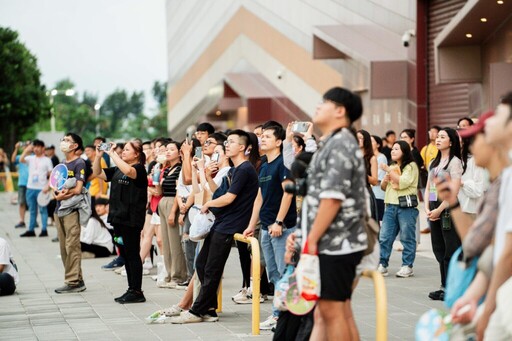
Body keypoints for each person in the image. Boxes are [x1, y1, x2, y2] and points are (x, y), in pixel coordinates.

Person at [292, 87, 367, 341]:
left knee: (332, 311)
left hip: (336, 244)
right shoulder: (333, 142)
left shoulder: (341, 144)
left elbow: (332, 199)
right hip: (331, 243)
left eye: (325, 102)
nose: (318, 106)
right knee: (334, 311)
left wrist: (311, 240)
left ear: (340, 110)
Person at [170, 129, 259, 324]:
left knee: (212, 269)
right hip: (221, 223)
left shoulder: (245, 169)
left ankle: (197, 311)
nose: (227, 145)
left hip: (230, 224)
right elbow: (219, 193)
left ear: (243, 147)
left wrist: (208, 204)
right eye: (226, 142)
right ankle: (209, 309)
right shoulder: (236, 170)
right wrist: (207, 176)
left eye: (232, 142)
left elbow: (229, 198)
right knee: (202, 264)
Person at [243, 125, 297, 330]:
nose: (262, 139)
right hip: (265, 227)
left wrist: (280, 221)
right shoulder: (264, 165)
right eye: (261, 136)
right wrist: (251, 226)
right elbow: (259, 198)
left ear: (279, 141)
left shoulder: (284, 164)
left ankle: (283, 316)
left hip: (281, 228)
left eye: (267, 137)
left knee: (285, 272)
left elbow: (289, 192)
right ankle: (280, 314)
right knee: (274, 274)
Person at [93, 140, 148, 303]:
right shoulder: (118, 168)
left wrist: (113, 154)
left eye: (126, 150)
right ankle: (131, 289)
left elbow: (130, 171)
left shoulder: (139, 169)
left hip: (131, 219)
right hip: (118, 218)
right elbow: (98, 173)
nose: (123, 152)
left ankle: (137, 291)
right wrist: (98, 156)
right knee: (124, 254)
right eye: (122, 150)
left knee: (132, 255)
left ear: (136, 154)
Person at [424, 127, 463, 301]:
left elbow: (454, 191)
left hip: (447, 211)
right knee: (438, 248)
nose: (438, 139)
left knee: (450, 249)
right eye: (437, 137)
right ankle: (443, 286)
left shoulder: (455, 162)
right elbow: (429, 188)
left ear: (451, 142)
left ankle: (452, 288)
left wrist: (439, 210)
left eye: (442, 137)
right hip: (434, 209)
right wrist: (427, 208)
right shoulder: (434, 162)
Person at [377, 141, 419, 278]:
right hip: (390, 205)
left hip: (406, 207)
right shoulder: (393, 166)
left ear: (405, 151)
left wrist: (389, 171)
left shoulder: (411, 166)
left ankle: (407, 266)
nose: (393, 151)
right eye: (392, 149)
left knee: (407, 237)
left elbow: (403, 182)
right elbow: (384, 187)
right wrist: (385, 180)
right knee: (384, 237)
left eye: (396, 149)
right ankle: (382, 264)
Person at [53, 133, 89, 293]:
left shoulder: (79, 163)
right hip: (59, 209)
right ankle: (77, 279)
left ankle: (73, 281)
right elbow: (56, 185)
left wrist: (63, 195)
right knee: (63, 247)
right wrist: (57, 195)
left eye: (67, 140)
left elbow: (79, 189)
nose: (64, 142)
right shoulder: (62, 163)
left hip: (71, 210)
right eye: (63, 140)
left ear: (75, 146)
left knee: (72, 245)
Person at [155, 140, 187, 288]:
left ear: (179, 152)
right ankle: (168, 273)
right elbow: (159, 192)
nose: (167, 152)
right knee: (166, 242)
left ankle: (178, 275)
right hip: (163, 202)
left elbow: (178, 192)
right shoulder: (167, 169)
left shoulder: (180, 169)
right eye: (166, 149)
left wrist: (173, 211)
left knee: (174, 242)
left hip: (173, 202)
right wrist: (157, 178)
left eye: (171, 149)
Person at [19, 139, 53, 237]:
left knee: (43, 209)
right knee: (32, 210)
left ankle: (44, 229)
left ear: (43, 148)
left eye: (38, 147)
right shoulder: (30, 158)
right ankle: (31, 230)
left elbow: (51, 174)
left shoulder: (47, 160)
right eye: (35, 147)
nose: (36, 149)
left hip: (42, 189)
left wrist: (48, 186)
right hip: (30, 188)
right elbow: (21, 160)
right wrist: (26, 150)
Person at [11, 142, 29, 229]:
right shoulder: (20, 156)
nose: (25, 147)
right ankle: (22, 220)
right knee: (21, 202)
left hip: (32, 184)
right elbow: (13, 160)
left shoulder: (33, 156)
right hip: (22, 182)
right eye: (24, 145)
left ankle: (34, 221)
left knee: (33, 204)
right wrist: (16, 148)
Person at [371, 135, 387, 222]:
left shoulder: (381, 158)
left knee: (377, 221)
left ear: (378, 145)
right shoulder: (370, 157)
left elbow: (378, 178)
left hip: (378, 194)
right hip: (371, 194)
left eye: (372, 141)